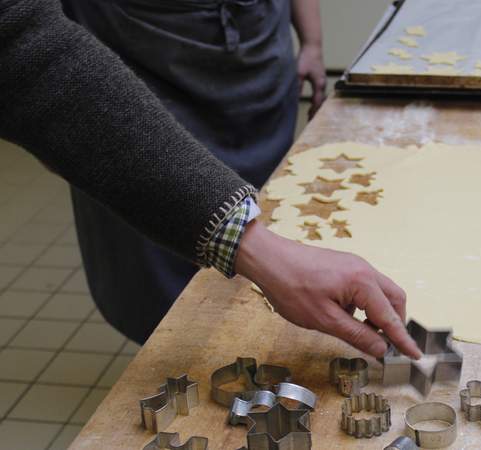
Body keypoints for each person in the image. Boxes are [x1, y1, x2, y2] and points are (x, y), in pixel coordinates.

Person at [0, 0, 422, 360]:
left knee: (276, 241)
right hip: (139, 79)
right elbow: (20, 42)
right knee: (171, 293)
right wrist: (260, 250)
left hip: (257, 62)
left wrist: (311, 40)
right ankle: (180, 366)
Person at [58, 0, 329, 344]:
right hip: (137, 55)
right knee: (160, 268)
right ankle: (176, 355)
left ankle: (255, 338)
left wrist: (313, 43)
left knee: (272, 215)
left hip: (257, 51)